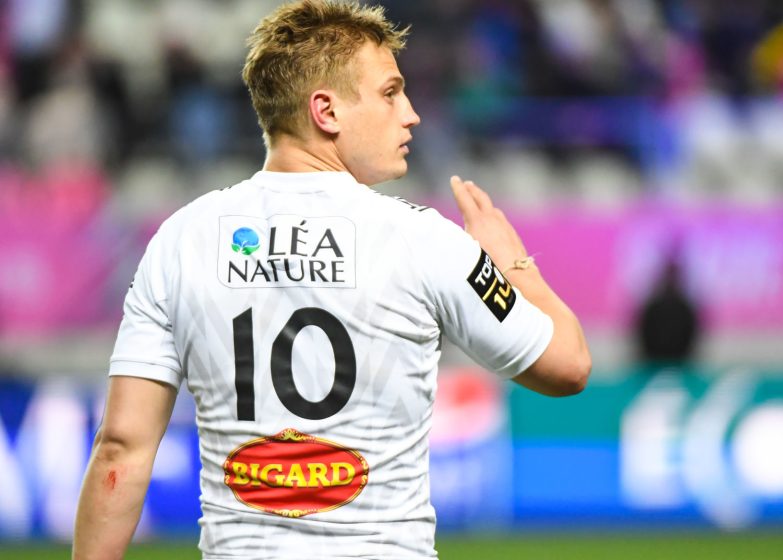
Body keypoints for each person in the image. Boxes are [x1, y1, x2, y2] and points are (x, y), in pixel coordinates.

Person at [72, 1, 591, 559]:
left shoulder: (181, 239)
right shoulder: (422, 239)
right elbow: (568, 366)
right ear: (326, 110)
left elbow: (121, 449)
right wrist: (515, 263)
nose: (411, 113)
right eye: (391, 93)